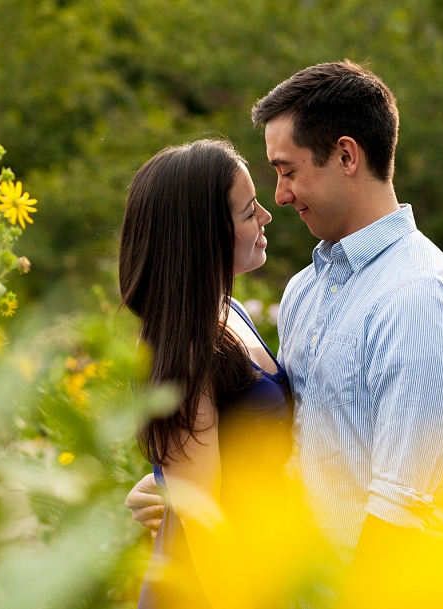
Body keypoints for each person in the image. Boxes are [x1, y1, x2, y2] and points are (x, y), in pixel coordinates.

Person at [126, 61, 443, 608]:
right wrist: (177, 487)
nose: (280, 197)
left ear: (345, 155)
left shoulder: (419, 295)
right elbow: (283, 445)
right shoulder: (303, 292)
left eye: (287, 171)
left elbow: (404, 509)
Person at [120, 139, 319, 609]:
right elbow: (206, 528)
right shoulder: (181, 348)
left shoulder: (225, 312)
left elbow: (209, 456)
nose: (266, 216)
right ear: (205, 233)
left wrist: (163, 482)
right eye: (249, 212)